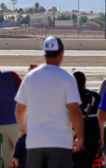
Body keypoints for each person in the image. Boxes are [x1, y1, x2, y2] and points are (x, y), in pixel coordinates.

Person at [14, 36, 84, 168]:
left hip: (35, 143)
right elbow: (75, 111)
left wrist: (23, 129)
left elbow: (20, 109)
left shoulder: (30, 77)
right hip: (60, 143)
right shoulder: (67, 78)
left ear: (44, 54)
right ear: (61, 53)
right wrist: (80, 138)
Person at [72, 71, 101, 168]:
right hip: (92, 134)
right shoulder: (95, 97)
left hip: (74, 136)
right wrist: (102, 137)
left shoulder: (70, 98)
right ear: (85, 81)